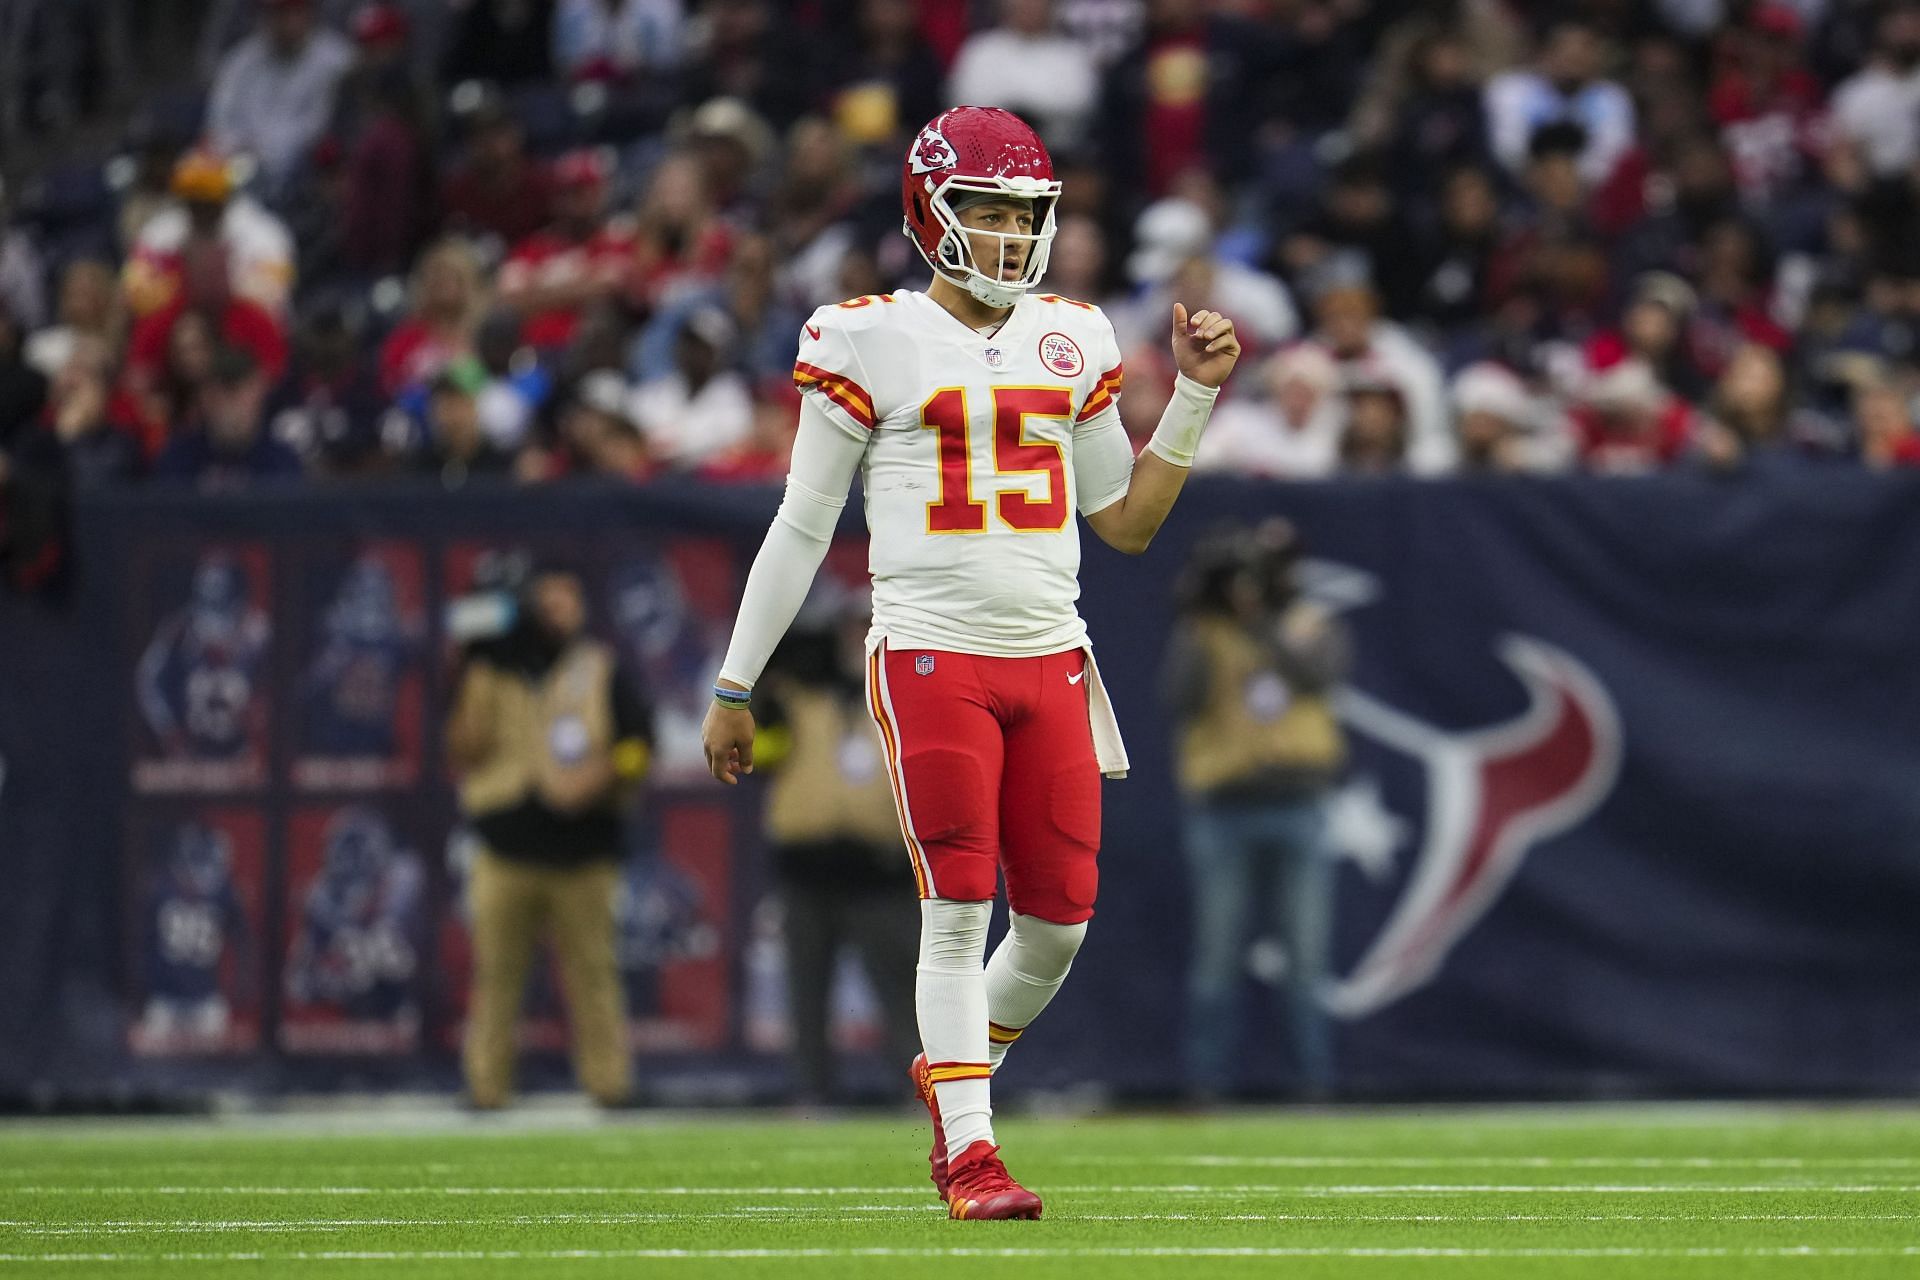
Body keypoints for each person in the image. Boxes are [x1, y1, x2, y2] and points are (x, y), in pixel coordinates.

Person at [699, 106, 1241, 1220]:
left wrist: (1189, 397)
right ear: (929, 214)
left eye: (1024, 214)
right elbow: (803, 523)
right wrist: (735, 680)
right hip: (931, 653)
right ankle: (971, 1150)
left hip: (1053, 657)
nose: (1008, 235)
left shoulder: (1076, 334)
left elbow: (1125, 521)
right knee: (956, 908)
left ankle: (953, 1078)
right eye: (986, 210)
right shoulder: (865, 336)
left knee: (1057, 922)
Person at [445, 562, 654, 1109]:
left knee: (593, 974)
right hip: (505, 848)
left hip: (583, 849)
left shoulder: (601, 666)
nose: (563, 607)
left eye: (571, 596)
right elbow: (462, 749)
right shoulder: (489, 667)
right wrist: (471, 666)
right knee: (496, 974)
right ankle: (485, 1087)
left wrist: (603, 774)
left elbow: (639, 745)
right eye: (551, 597)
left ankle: (610, 1085)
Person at [1163, 519, 1348, 1099]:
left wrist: (1261, 621)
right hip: (1225, 806)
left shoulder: (1309, 622)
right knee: (1216, 960)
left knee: (1306, 960)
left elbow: (1317, 677)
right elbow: (1179, 698)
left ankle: (1314, 1084)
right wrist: (1199, 614)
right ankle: (1206, 1085)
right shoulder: (1206, 629)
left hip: (1299, 800)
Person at [754, 596, 920, 1105]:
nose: (857, 638)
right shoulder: (796, 694)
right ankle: (809, 1093)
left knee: (904, 992)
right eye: (848, 628)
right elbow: (760, 751)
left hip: (879, 866)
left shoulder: (904, 689)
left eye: (867, 627)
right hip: (808, 865)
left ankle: (921, 1094)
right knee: (806, 991)